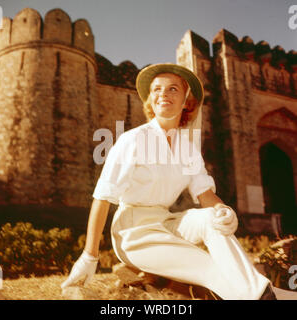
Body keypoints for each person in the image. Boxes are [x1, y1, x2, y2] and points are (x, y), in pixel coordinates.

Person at [61, 63, 276, 300]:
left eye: (173, 89)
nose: (163, 93)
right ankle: (264, 296)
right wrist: (89, 257)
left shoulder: (188, 148)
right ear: (150, 99)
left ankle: (265, 295)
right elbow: (103, 197)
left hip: (167, 222)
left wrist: (223, 211)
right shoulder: (132, 140)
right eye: (157, 89)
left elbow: (205, 195)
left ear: (186, 101)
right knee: (211, 269)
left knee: (211, 219)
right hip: (134, 232)